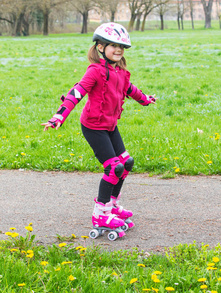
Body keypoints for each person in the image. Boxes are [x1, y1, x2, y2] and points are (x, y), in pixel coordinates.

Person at [42, 22, 156, 241]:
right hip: (94, 126)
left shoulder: (120, 71)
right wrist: (59, 115)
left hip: (110, 125)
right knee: (114, 168)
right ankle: (100, 214)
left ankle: (112, 205)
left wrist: (145, 100)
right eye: (113, 45)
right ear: (100, 47)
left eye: (122, 46)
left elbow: (130, 89)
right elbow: (77, 92)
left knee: (126, 163)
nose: (119, 50)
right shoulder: (95, 71)